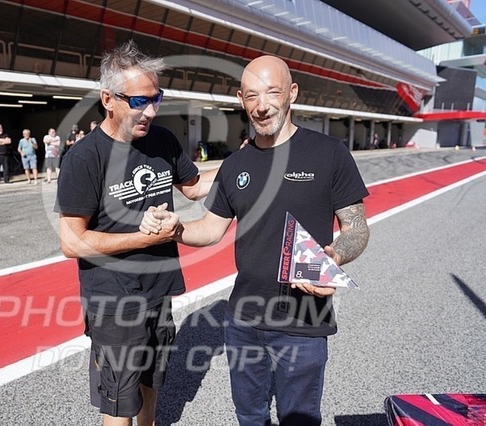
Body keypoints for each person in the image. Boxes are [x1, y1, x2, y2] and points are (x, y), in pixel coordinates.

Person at [140, 55, 370, 426]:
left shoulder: (329, 154)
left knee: (299, 419)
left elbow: (356, 227)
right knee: (249, 416)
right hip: (242, 321)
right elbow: (211, 228)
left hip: (303, 322)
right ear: (241, 100)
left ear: (292, 93)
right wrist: (176, 227)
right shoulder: (236, 164)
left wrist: (334, 257)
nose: (262, 106)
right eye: (251, 96)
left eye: (272, 92)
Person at [55, 40, 217, 426]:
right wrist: (147, 238)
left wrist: (252, 160)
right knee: (119, 400)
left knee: (151, 382)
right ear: (107, 100)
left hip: (158, 288)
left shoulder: (162, 140)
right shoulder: (84, 158)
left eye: (156, 98)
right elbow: (72, 242)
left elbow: (194, 186)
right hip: (114, 300)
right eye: (140, 101)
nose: (152, 111)